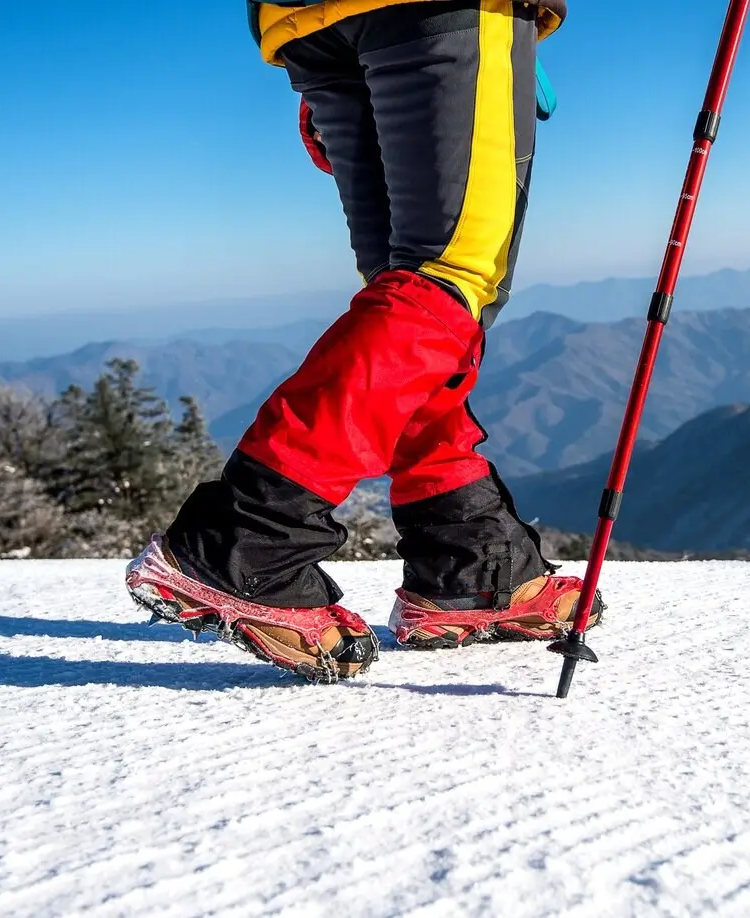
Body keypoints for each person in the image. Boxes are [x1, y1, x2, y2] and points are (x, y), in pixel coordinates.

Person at [125, 0, 601, 682]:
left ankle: (466, 560)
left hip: (307, 21)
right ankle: (249, 537)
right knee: (449, 279)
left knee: (407, 288)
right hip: (443, 11)